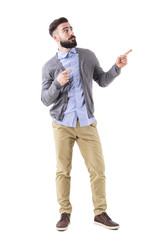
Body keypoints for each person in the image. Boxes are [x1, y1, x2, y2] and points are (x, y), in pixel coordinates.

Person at [41, 17, 132, 231]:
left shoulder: (87, 56)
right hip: (62, 125)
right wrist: (57, 83)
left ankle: (100, 213)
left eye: (71, 28)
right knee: (63, 170)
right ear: (56, 38)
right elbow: (45, 99)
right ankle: (65, 213)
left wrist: (116, 67)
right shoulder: (49, 66)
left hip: (87, 124)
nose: (71, 32)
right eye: (65, 30)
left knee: (98, 169)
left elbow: (102, 80)